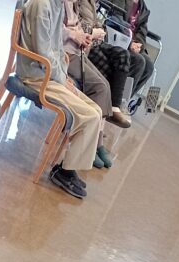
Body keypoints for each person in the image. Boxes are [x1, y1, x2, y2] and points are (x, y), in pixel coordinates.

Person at [17, 0, 102, 199]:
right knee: (89, 115)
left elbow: (55, 48)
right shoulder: (42, 5)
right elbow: (43, 54)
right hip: (36, 76)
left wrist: (63, 78)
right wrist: (62, 80)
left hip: (49, 75)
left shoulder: (54, 5)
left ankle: (68, 167)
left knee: (96, 110)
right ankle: (64, 171)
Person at [62, 0, 128, 169]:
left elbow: (79, 26)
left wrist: (85, 35)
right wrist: (83, 34)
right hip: (66, 54)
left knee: (106, 83)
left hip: (78, 50)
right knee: (100, 87)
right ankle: (92, 146)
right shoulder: (62, 4)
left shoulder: (77, 4)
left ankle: (96, 144)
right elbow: (56, 32)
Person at [87, 0, 154, 116]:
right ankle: (116, 102)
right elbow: (115, 21)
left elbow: (142, 33)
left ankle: (124, 101)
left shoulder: (144, 10)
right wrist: (130, 43)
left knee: (149, 66)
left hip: (131, 43)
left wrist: (137, 44)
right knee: (139, 61)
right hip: (116, 38)